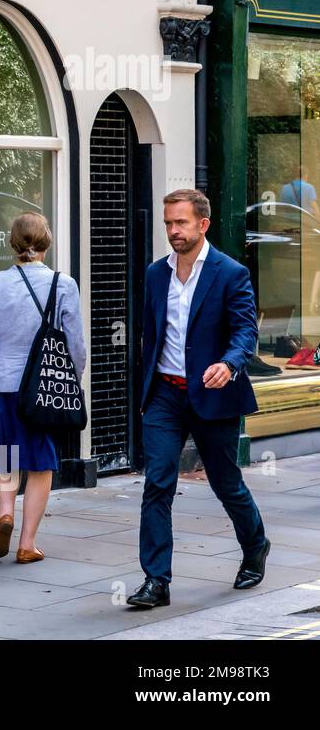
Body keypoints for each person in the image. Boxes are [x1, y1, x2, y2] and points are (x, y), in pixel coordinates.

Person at [127, 189, 270, 609]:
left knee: (226, 483)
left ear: (202, 224)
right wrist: (146, 390)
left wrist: (229, 363)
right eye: (168, 222)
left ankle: (255, 545)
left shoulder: (230, 273)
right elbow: (150, 336)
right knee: (158, 483)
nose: (173, 230)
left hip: (213, 394)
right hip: (165, 397)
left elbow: (246, 331)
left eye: (181, 223)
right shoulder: (156, 274)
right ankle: (156, 581)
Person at [0, 212, 86, 563]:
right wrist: (72, 378)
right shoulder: (63, 284)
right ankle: (27, 543)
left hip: (0, 383)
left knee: (4, 454)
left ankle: (5, 512)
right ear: (46, 241)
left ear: (13, 244)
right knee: (40, 464)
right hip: (41, 386)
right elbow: (75, 342)